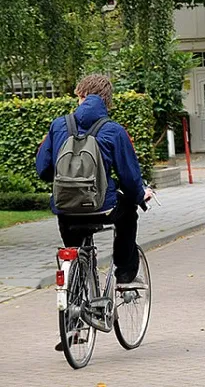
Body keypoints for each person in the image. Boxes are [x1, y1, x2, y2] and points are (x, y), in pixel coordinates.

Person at [36, 75, 152, 349]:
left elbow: (43, 168)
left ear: (80, 95)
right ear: (107, 101)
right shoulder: (113, 130)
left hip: (66, 210)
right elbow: (129, 177)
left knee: (75, 249)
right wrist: (140, 196)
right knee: (128, 210)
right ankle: (124, 273)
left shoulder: (58, 125)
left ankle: (73, 323)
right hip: (102, 207)